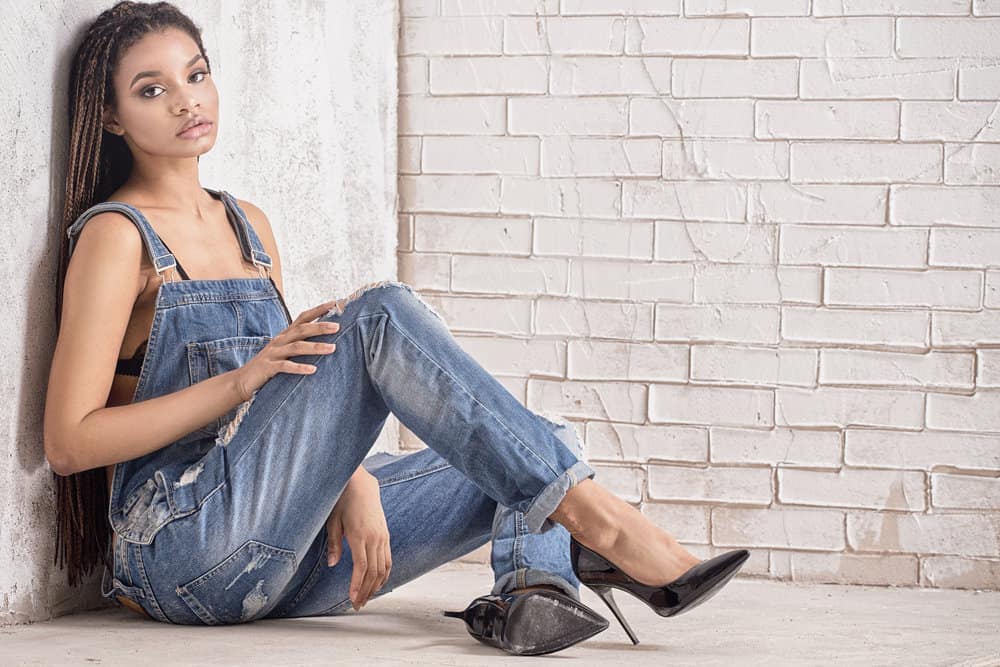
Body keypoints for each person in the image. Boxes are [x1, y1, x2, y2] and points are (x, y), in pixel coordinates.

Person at [43, 1, 749, 656]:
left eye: (195, 75)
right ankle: (611, 531)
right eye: (152, 89)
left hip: (285, 554)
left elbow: (293, 407)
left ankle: (535, 592)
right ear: (111, 117)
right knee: (376, 314)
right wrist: (240, 380)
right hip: (184, 552)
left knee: (538, 439)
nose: (187, 99)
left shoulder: (248, 225)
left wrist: (348, 478)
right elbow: (71, 441)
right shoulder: (117, 236)